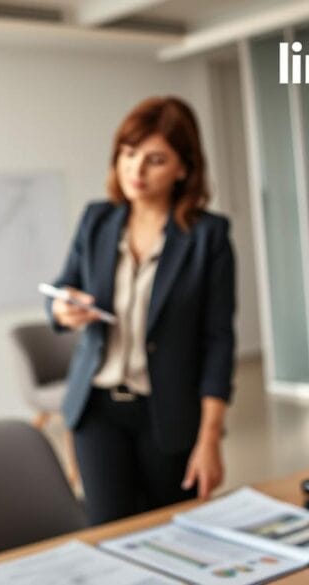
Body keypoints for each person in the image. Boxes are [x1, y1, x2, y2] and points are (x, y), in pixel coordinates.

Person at [47, 96, 235, 526]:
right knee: (107, 530)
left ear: (183, 168)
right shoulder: (96, 220)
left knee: (169, 531)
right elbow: (61, 289)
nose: (136, 170)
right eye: (129, 155)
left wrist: (210, 439)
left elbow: (218, 341)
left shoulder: (209, 237)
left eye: (155, 160)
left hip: (167, 413)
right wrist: (62, 308)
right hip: (97, 410)